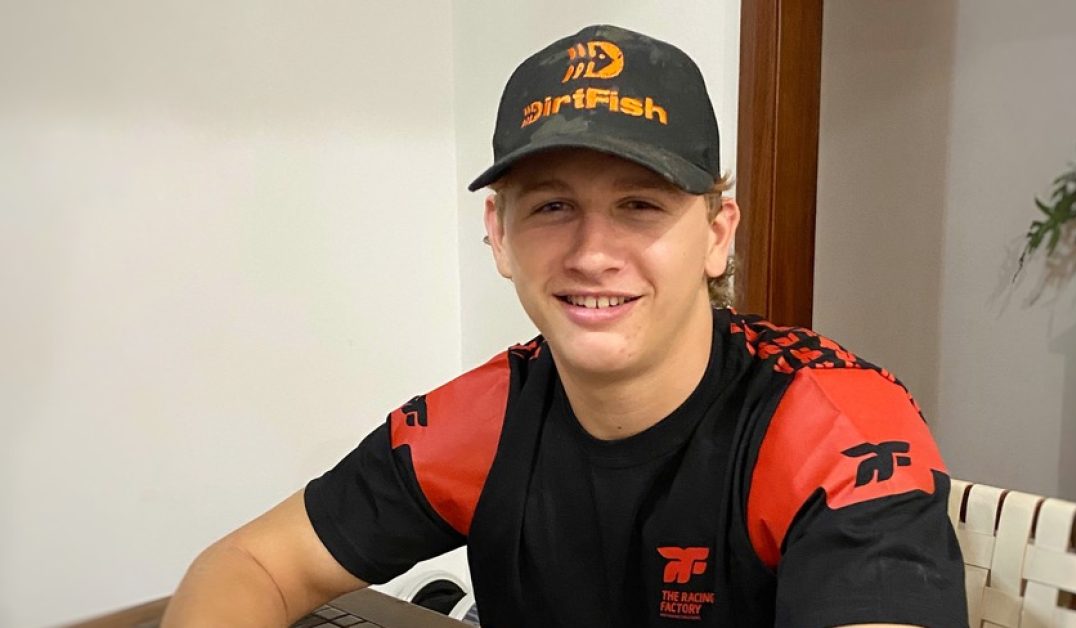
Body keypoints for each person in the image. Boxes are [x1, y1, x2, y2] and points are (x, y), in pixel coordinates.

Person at [164, 24, 967, 628]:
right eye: (553, 206)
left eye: (639, 204)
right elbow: (249, 565)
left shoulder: (835, 427)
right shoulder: (483, 422)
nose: (592, 253)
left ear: (717, 235)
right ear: (499, 236)